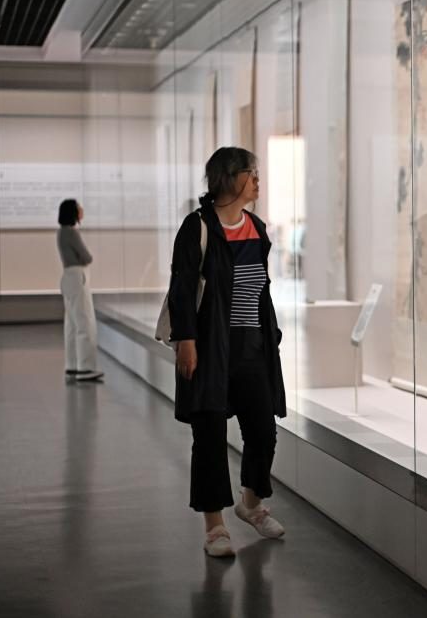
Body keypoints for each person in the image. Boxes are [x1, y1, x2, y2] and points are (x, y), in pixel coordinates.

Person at [168, 147, 288, 558]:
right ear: (230, 177)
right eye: (251, 173)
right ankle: (214, 527)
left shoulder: (257, 227)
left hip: (253, 347)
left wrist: (270, 335)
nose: (257, 180)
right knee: (209, 439)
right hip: (210, 348)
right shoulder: (198, 226)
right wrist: (186, 341)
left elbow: (260, 289)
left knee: (263, 431)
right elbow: (182, 287)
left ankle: (250, 505)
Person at [57, 199, 103, 382]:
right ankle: (85, 367)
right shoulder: (72, 232)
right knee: (85, 322)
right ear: (73, 212)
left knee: (72, 324)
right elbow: (86, 257)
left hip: (68, 277)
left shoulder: (61, 232)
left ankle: (72, 365)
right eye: (78, 208)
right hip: (77, 276)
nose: (81, 210)